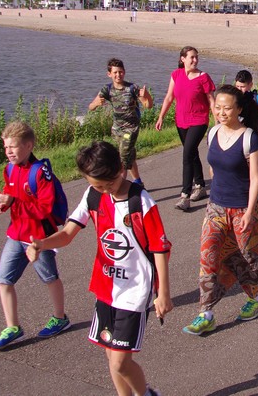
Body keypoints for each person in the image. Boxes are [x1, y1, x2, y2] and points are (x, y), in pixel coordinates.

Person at [27, 141, 172, 396]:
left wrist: (164, 294)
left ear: (121, 170)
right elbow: (68, 234)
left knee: (120, 362)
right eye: (97, 186)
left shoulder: (141, 201)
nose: (105, 190)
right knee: (110, 355)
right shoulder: (92, 196)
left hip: (135, 291)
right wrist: (42, 243)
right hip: (106, 288)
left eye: (109, 184)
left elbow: (160, 249)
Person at [183, 85, 258, 335]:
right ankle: (205, 313)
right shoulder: (212, 133)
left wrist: (249, 212)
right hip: (216, 208)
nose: (221, 113)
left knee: (248, 257)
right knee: (208, 256)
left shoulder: (250, 138)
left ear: (239, 109)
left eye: (227, 108)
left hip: (243, 208)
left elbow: (255, 178)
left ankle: (256, 298)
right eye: (218, 107)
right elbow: (214, 168)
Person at [0, 121, 69, 351]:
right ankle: (12, 327)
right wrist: (2, 205)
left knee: (50, 277)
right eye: (6, 147)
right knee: (3, 280)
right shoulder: (9, 169)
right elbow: (10, 195)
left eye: (13, 147)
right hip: (16, 234)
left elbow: (44, 208)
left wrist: (14, 201)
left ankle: (60, 317)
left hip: (38, 236)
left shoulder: (40, 173)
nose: (9, 152)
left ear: (28, 145)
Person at [156, 46, 217, 211]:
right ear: (183, 59)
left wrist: (218, 122)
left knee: (187, 155)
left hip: (199, 120)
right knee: (192, 152)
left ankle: (185, 196)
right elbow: (169, 97)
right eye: (192, 57)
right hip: (181, 121)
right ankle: (200, 185)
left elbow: (211, 101)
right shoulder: (176, 75)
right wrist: (161, 117)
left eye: (196, 57)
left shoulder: (203, 77)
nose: (195, 60)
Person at [89, 58, 153, 186]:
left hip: (131, 129)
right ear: (109, 74)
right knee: (128, 155)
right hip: (116, 129)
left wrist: (147, 96)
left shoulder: (132, 88)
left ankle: (119, 186)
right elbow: (91, 107)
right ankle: (138, 182)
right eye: (115, 72)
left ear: (124, 72)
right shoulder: (107, 89)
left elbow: (148, 105)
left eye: (121, 72)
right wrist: (96, 103)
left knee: (123, 158)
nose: (118, 75)